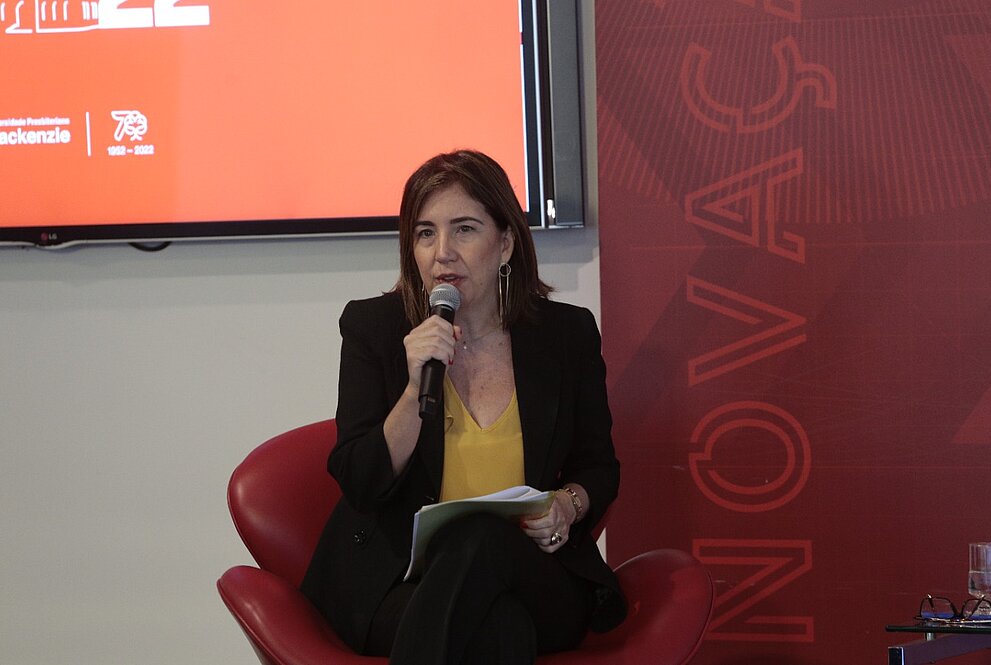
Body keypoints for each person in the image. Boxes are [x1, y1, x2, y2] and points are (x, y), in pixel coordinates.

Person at [301, 149, 627, 664]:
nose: (442, 254)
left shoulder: (566, 335)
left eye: (465, 230)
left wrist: (567, 504)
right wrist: (414, 389)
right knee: (499, 629)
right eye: (425, 233)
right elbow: (360, 482)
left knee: (482, 540)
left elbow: (598, 468)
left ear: (506, 243)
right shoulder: (374, 329)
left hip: (534, 571)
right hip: (403, 580)